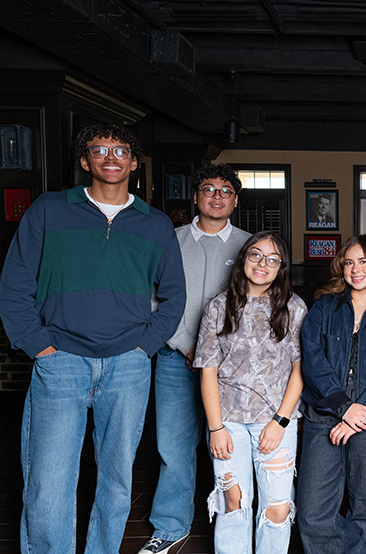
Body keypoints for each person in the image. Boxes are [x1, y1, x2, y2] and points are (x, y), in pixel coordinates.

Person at [0, 124, 186, 554]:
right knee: (48, 480)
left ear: (134, 163)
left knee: (117, 478)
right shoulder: (49, 210)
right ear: (85, 161)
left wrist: (145, 347)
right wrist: (39, 346)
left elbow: (175, 297)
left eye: (121, 150)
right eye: (99, 150)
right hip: (60, 360)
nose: (111, 157)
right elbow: (14, 285)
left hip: (128, 365)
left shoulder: (155, 224)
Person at [140, 164, 251, 554]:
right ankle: (170, 528)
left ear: (235, 200)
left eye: (225, 191)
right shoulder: (169, 240)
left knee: (228, 445)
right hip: (176, 360)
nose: (217, 196)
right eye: (209, 189)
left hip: (230, 369)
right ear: (195, 196)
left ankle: (232, 522)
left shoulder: (249, 245)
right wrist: (188, 345)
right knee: (173, 446)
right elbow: (153, 301)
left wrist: (213, 354)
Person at [297, 234, 366, 554]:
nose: (355, 269)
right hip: (323, 419)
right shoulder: (323, 308)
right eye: (349, 262)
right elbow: (313, 360)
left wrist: (358, 413)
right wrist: (343, 407)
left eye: (364, 261)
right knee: (312, 514)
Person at [196, 232, 306, 554]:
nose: (263, 264)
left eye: (273, 259)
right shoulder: (218, 306)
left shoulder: (294, 307)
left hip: (277, 421)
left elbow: (299, 370)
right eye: (256, 255)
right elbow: (208, 371)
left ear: (281, 267)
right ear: (243, 258)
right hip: (227, 422)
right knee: (233, 502)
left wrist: (280, 421)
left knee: (277, 507)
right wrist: (215, 428)